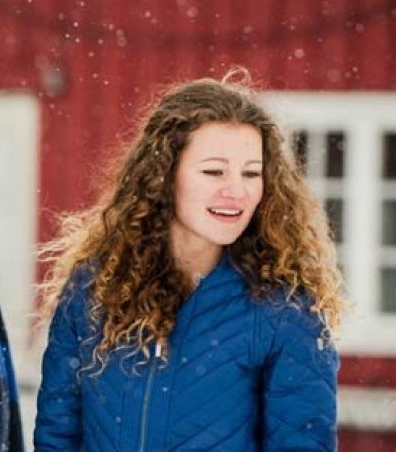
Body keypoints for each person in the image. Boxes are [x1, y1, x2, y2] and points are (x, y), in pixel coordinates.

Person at [34, 70, 344, 451]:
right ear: (165, 176)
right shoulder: (95, 289)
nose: (236, 191)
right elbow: (56, 434)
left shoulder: (285, 311)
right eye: (214, 171)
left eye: (251, 173)